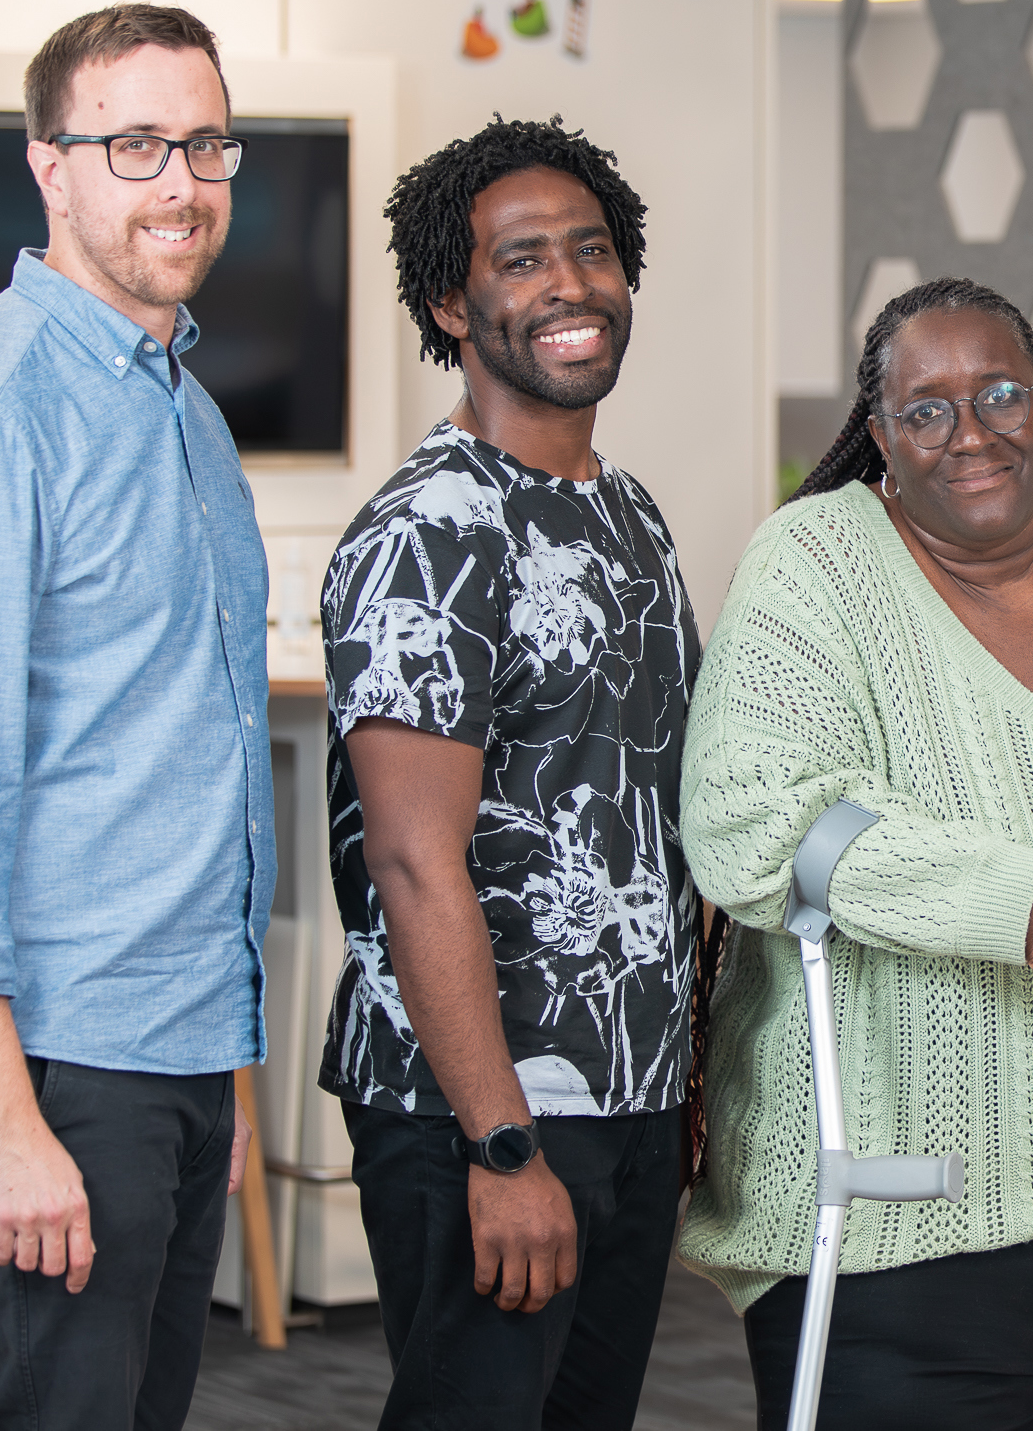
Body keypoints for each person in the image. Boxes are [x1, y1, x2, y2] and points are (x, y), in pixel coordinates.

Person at [679, 277, 1033, 1429]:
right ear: (881, 439)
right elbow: (753, 814)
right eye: (925, 408)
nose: (969, 431)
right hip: (897, 1224)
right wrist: (1013, 894)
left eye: (997, 393)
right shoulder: (818, 560)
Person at [0, 3, 270, 1428]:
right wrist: (5, 1121)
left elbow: (184, 767)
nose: (181, 181)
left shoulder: (183, 408)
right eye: (137, 142)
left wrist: (211, 1061)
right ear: (52, 167)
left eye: (207, 142)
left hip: (161, 1045)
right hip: (41, 1051)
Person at [319, 117, 699, 1429]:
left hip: (626, 1093)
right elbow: (415, 860)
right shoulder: (429, 530)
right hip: (483, 1103)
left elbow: (651, 810)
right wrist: (501, 1141)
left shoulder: (627, 511)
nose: (568, 284)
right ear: (450, 297)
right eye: (523, 258)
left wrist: (676, 1084)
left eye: (590, 250)